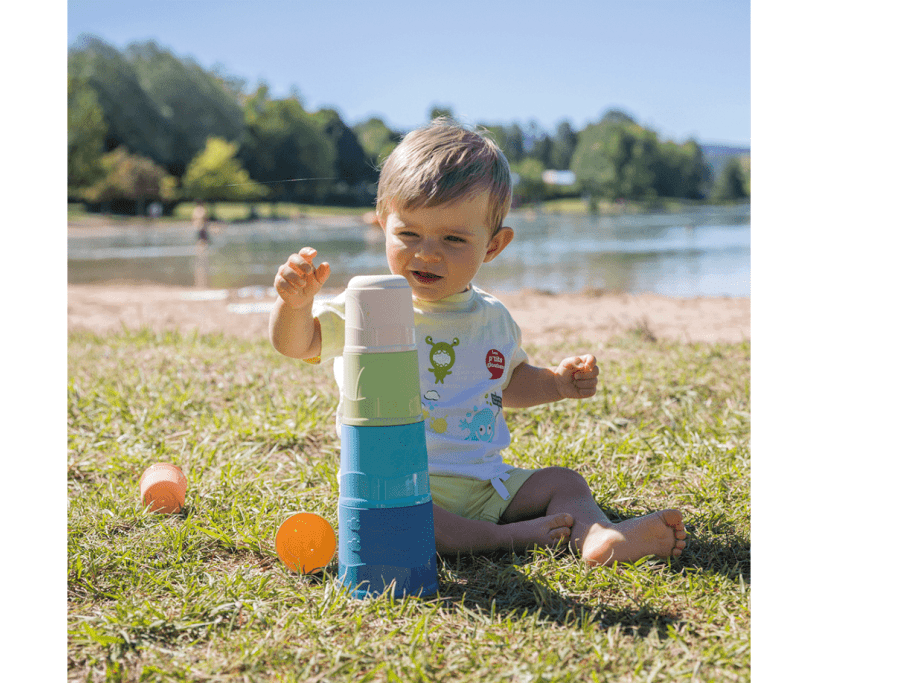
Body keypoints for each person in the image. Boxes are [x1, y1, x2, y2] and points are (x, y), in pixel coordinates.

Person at [268, 119, 686, 565]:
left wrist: (557, 384)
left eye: (453, 239)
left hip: (489, 484)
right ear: (383, 224)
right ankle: (497, 539)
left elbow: (507, 385)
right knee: (415, 519)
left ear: (493, 245)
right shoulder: (369, 305)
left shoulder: (492, 317)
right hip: (402, 486)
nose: (427, 253)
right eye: (409, 234)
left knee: (565, 483)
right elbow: (297, 344)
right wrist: (295, 304)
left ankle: (597, 537)